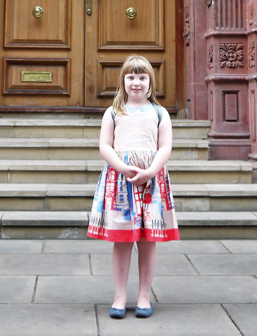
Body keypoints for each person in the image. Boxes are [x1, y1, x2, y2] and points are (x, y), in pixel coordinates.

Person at [87, 55, 179, 319]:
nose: (136, 83)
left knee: (148, 240)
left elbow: (165, 147)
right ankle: (119, 296)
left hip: (152, 181)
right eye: (131, 77)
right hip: (121, 181)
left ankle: (144, 295)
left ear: (150, 82)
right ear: (123, 82)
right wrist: (124, 168)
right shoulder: (113, 112)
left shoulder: (159, 113)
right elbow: (105, 145)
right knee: (122, 240)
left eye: (141, 77)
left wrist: (150, 171)